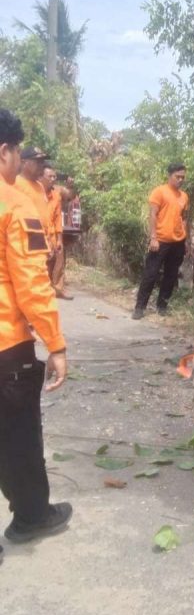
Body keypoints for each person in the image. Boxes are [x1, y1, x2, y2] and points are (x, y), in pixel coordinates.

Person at [0, 109, 72, 561]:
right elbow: (31, 284)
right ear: (6, 151)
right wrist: (56, 344)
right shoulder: (13, 203)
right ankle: (31, 516)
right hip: (6, 345)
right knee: (19, 435)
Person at [133, 162, 190, 319]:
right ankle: (140, 307)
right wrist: (153, 238)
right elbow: (153, 215)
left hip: (177, 242)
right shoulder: (159, 192)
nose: (180, 180)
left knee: (171, 275)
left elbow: (183, 218)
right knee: (150, 274)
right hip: (160, 240)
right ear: (169, 175)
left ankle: (162, 306)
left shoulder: (184, 196)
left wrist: (185, 240)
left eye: (183, 177)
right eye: (177, 177)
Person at [41, 163, 72, 300]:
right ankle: (43, 289)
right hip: (38, 234)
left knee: (59, 259)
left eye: (54, 176)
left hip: (53, 233)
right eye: (50, 176)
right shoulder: (34, 192)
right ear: (41, 177)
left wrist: (59, 239)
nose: (53, 179)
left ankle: (59, 289)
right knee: (42, 264)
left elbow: (58, 218)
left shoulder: (56, 194)